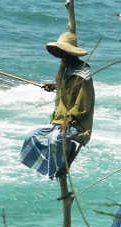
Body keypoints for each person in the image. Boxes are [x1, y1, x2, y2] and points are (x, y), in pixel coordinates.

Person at [20, 31, 95, 179]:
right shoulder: (66, 69)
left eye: (64, 53)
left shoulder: (83, 73)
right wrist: (56, 85)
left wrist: (70, 118)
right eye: (61, 53)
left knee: (55, 139)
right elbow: (69, 89)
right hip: (60, 120)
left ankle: (61, 166)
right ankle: (51, 167)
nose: (62, 56)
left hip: (78, 124)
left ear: (72, 53)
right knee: (32, 137)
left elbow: (84, 103)